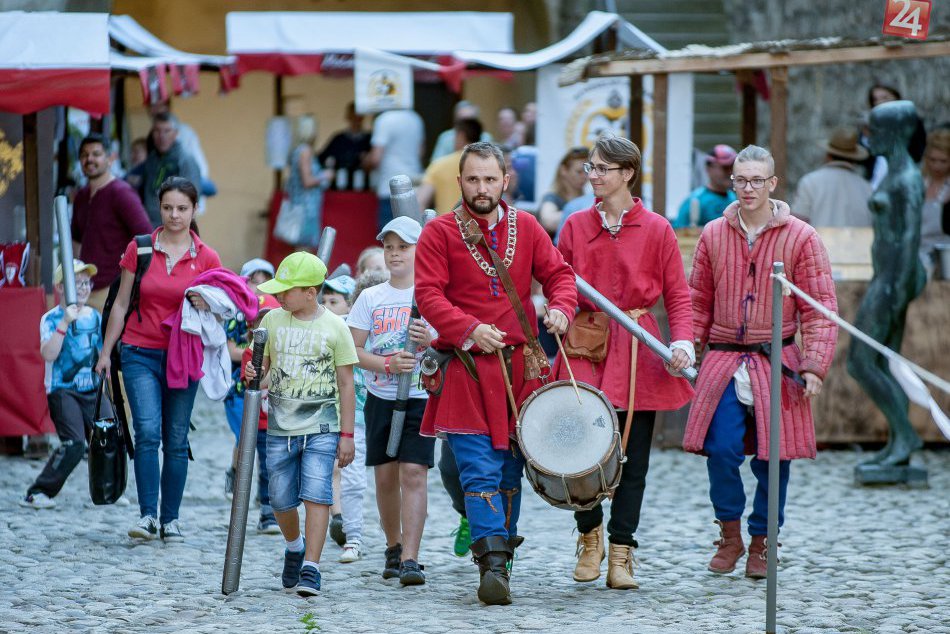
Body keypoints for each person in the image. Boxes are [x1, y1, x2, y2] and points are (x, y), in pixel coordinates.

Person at [414, 141, 577, 605]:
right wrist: (468, 329)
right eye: (473, 179)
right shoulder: (440, 233)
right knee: (478, 470)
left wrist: (562, 309)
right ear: (460, 181)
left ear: (505, 181)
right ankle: (491, 566)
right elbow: (429, 295)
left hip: (521, 369)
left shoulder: (527, 226)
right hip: (466, 368)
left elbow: (560, 276)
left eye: (490, 179)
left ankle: (502, 559)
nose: (481, 188)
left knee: (509, 471)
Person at [683, 145, 838, 580]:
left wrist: (813, 363)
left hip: (778, 359)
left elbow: (820, 305)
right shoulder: (714, 233)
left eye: (756, 180)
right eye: (740, 179)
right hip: (724, 359)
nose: (747, 188)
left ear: (772, 184)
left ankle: (761, 542)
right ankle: (730, 535)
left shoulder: (802, 236)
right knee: (721, 448)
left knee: (775, 457)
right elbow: (698, 299)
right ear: (731, 181)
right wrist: (686, 344)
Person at [557, 135, 695, 590]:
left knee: (632, 459)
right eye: (590, 169)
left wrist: (685, 343)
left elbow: (677, 293)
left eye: (600, 168)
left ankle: (621, 552)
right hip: (586, 343)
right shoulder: (576, 225)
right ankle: (589, 536)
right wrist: (556, 307)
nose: (592, 175)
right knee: (579, 453)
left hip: (637, 346)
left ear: (627, 173)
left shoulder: (657, 228)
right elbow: (559, 279)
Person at [95, 177, 222, 542]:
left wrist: (208, 303)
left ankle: (171, 519)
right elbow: (120, 304)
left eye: (182, 208)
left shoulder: (207, 257)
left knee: (176, 439)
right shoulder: (141, 249)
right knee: (147, 432)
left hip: (184, 357)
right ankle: (148, 515)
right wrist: (106, 353)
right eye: (168, 207)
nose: (174, 215)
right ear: (159, 208)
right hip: (139, 353)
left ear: (194, 210)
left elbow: (225, 309)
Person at [246, 251, 358, 596]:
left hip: (322, 427)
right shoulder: (271, 322)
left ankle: (311, 566)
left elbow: (346, 383)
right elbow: (261, 373)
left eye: (287, 290)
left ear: (310, 292)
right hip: (279, 427)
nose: (280, 297)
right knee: (280, 499)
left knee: (317, 493)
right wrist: (254, 373)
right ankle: (294, 546)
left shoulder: (335, 327)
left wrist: (348, 435)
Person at [348, 216, 434, 586]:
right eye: (390, 247)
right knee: (385, 477)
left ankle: (412, 558)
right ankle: (393, 546)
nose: (395, 254)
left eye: (404, 247)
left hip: (420, 397)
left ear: (420, 251)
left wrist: (431, 337)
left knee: (413, 473)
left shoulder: (433, 295)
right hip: (381, 398)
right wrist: (385, 362)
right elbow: (351, 350)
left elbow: (449, 340)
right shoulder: (371, 297)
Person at [20, 260, 106, 509]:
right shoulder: (51, 319)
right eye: (75, 283)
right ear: (60, 286)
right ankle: (38, 491)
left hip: (92, 388)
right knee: (74, 445)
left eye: (86, 283)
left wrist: (105, 363)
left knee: (108, 438)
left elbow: (99, 350)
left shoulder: (94, 317)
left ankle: (106, 490)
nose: (82, 288)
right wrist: (65, 323)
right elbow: (48, 354)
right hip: (63, 389)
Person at [71, 134, 152, 311]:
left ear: (110, 158)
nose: (89, 159)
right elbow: (76, 240)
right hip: (83, 289)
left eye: (96, 153)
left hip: (113, 289)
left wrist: (132, 281)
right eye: (84, 154)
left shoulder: (122, 193)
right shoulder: (81, 196)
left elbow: (146, 237)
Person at [319, 274, 367, 563]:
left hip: (367, 412)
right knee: (346, 475)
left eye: (333, 301)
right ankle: (352, 536)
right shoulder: (323, 330)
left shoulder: (359, 331)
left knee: (362, 478)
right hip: (335, 414)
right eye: (324, 300)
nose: (326, 306)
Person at [238, 294, 281, 534]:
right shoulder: (250, 353)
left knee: (281, 468)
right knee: (267, 467)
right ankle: (267, 512)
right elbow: (254, 384)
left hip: (285, 419)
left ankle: (280, 508)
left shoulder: (285, 349)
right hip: (262, 422)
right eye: (260, 323)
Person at [794, 127, 873, 227]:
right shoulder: (867, 189)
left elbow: (798, 226)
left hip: (819, 242)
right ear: (854, 159)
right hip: (857, 243)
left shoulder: (809, 182)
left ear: (828, 155)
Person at [365, 108, 425, 231]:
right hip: (414, 186)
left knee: (389, 237)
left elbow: (376, 158)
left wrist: (366, 161)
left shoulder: (384, 119)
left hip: (390, 187)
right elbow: (420, 152)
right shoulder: (415, 118)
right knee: (412, 235)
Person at [139, 113, 201, 227]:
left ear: (176, 133)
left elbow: (192, 198)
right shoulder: (151, 159)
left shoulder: (185, 159)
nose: (161, 136)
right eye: (157, 131)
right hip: (148, 225)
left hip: (173, 227)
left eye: (167, 131)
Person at [417, 119, 483, 215]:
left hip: (446, 226)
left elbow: (421, 202)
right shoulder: (488, 165)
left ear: (461, 135)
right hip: (479, 227)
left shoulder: (438, 165)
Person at [287, 115, 334, 248]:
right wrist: (324, 175)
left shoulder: (297, 150)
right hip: (306, 207)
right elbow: (307, 181)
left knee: (300, 247)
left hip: (298, 204)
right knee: (304, 247)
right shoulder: (305, 151)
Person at [672, 144, 738, 229]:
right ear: (709, 168)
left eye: (733, 167)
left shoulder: (733, 198)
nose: (730, 172)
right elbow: (678, 233)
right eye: (725, 168)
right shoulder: (696, 200)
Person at [318, 102, 371, 192]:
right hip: (339, 187)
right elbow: (321, 158)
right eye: (353, 116)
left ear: (363, 118)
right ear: (348, 117)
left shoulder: (369, 139)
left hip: (364, 188)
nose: (356, 119)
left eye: (358, 116)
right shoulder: (338, 139)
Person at [919, 129, 950, 279]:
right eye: (933, 160)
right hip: (919, 254)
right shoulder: (919, 184)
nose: (937, 166)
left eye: (943, 161)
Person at [538, 147, 590, 237]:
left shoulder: (588, 200)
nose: (585, 176)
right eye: (579, 172)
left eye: (587, 171)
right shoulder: (552, 198)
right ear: (563, 170)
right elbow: (548, 221)